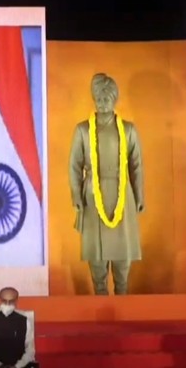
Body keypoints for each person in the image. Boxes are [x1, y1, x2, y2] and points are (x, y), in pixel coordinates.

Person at [68, 73, 145, 295]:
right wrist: (77, 196)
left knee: (123, 258)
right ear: (93, 99)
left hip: (122, 195)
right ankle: (100, 303)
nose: (102, 104)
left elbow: (136, 166)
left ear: (114, 100)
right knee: (97, 259)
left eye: (107, 99)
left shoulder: (128, 130)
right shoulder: (83, 130)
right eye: (99, 99)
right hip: (93, 196)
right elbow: (74, 165)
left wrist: (139, 197)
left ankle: (122, 301)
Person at [0, 287, 36, 368]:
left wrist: (17, 366)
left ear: (16, 301)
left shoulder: (25, 322)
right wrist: (0, 366)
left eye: (11, 301)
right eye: (4, 301)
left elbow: (30, 351)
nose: (7, 304)